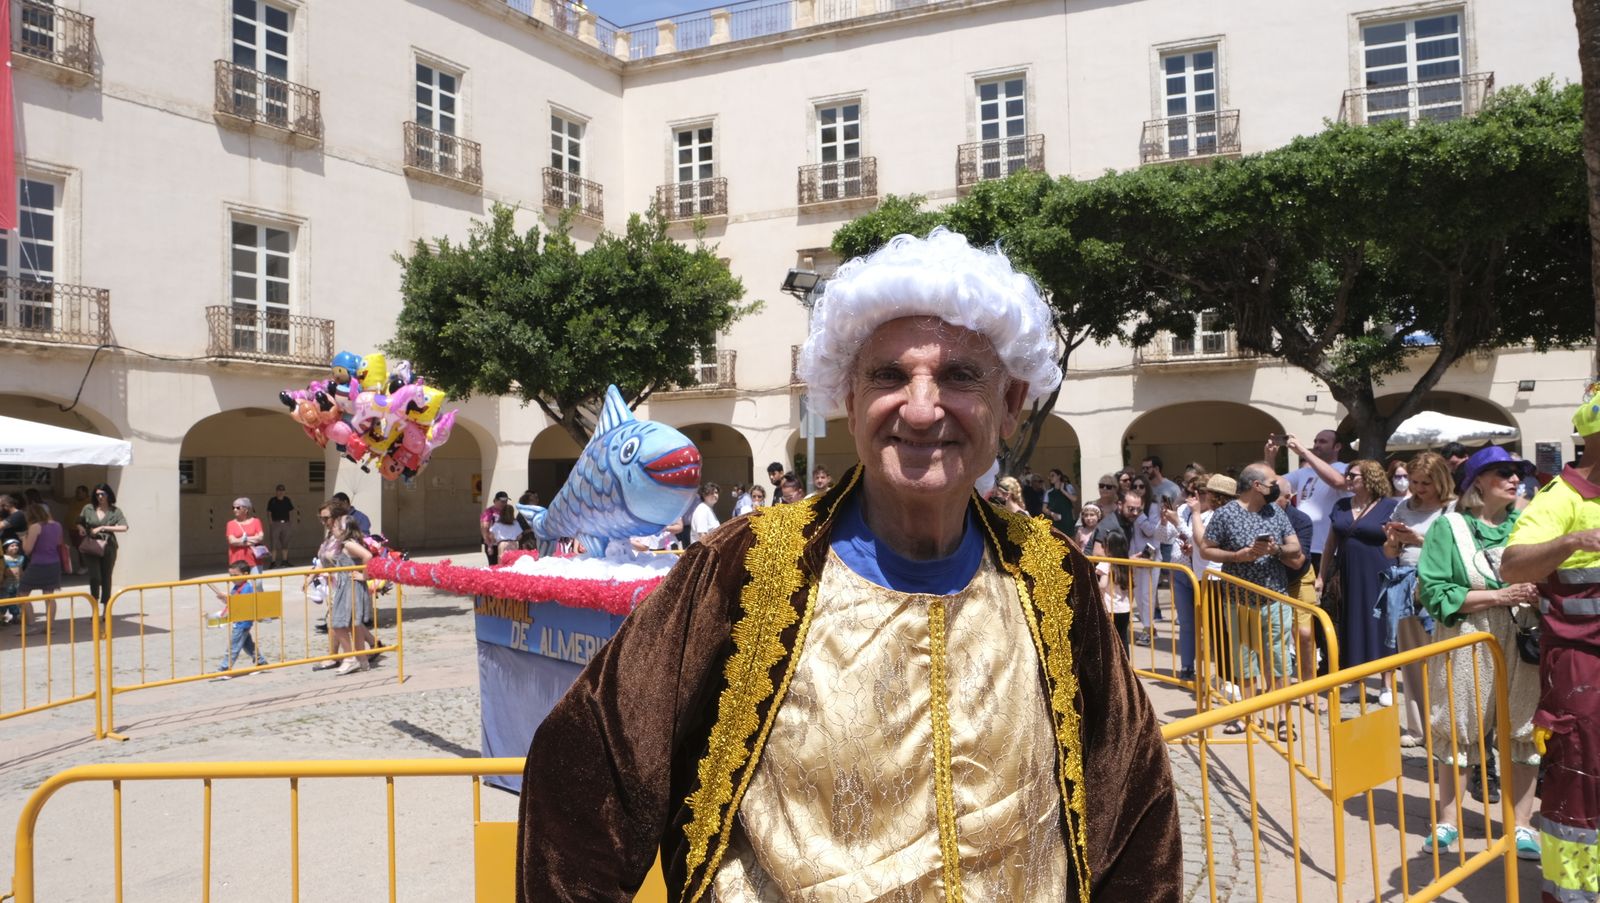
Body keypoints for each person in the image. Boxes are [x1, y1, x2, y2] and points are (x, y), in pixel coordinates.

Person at [517, 228, 1180, 901]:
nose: (922, 408)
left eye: (959, 375)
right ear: (852, 399)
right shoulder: (741, 568)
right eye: (890, 375)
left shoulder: (1053, 574)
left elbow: (1132, 804)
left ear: (1009, 404)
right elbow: (581, 774)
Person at [1417, 446, 1542, 861]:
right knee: (1459, 726)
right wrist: (1498, 595)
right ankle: (1449, 820)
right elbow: (1434, 591)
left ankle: (1521, 826)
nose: (1514, 479)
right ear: (1477, 484)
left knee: (1524, 729)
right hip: (1468, 636)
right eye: (1503, 472)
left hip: (1524, 637)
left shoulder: (1529, 524)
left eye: (1517, 473)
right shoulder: (1448, 527)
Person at [1500, 383, 1600, 896]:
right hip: (1582, 670)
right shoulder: (1562, 497)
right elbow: (1511, 564)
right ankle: (1575, 891)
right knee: (1582, 776)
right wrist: (1570, 541)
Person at [1198, 462, 1302, 736]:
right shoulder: (1225, 515)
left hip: (1275, 598)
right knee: (1244, 660)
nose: (1275, 487)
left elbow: (1295, 547)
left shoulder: (1276, 512)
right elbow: (1206, 549)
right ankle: (1246, 714)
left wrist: (1276, 549)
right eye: (1271, 483)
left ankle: (1283, 719)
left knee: (1280, 661)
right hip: (1238, 599)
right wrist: (1236, 556)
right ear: (1257, 486)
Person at [1379, 452, 1454, 746]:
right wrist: (1393, 540)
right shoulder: (1403, 506)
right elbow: (1389, 553)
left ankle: (1443, 725)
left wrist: (1418, 539)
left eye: (1426, 482)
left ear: (1441, 480)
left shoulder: (1453, 508)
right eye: (1415, 481)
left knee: (1442, 662)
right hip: (1406, 583)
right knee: (1410, 660)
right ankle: (1417, 728)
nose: (1419, 488)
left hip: (1440, 585)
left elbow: (1456, 547)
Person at [1324, 459, 1399, 702]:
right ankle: (1357, 681)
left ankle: (1387, 684)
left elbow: (1397, 542)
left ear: (1369, 478)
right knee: (1352, 623)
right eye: (1347, 474)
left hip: (1380, 570)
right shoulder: (1342, 505)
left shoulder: (1389, 505)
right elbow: (1330, 543)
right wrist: (1322, 575)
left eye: (1353, 475)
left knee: (1383, 624)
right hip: (1348, 572)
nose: (1347, 479)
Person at [313, 508, 375, 676]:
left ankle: (350, 658)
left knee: (338, 624)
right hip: (345, 584)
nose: (331, 527)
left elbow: (367, 556)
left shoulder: (348, 543)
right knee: (353, 624)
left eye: (336, 526)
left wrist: (364, 576)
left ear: (344, 529)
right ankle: (362, 660)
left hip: (350, 586)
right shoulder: (341, 543)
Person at [210, 559, 269, 679]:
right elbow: (233, 603)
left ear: (245, 574)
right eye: (230, 575)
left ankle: (225, 668)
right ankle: (261, 662)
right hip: (238, 620)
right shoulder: (236, 587)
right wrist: (224, 598)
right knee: (247, 645)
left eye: (235, 575)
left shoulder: (247, 588)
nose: (232, 578)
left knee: (234, 646)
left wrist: (227, 598)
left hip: (243, 622)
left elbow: (241, 603)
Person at [15, 503, 66, 634]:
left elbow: (27, 550)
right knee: (49, 596)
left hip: (38, 564)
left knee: (22, 594)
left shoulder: (35, 527)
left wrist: (23, 538)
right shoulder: (57, 525)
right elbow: (59, 543)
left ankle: (31, 625)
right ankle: (50, 627)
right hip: (54, 563)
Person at [77, 483, 128, 610]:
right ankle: (94, 607)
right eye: (97, 494)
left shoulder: (115, 511)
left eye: (103, 494)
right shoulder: (88, 508)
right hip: (91, 545)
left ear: (108, 494)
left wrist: (103, 527)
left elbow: (124, 527)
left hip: (108, 545)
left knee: (106, 576)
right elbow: (78, 522)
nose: (100, 497)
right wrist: (81, 528)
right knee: (95, 576)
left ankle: (106, 608)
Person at [1098, 531, 1133, 651]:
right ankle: (1125, 666)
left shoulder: (1106, 563)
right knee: (1123, 638)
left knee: (1109, 639)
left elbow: (1102, 585)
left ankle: (1113, 667)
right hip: (1124, 608)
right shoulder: (1126, 563)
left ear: (1108, 547)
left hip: (1110, 608)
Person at [225, 497, 266, 574]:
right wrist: (251, 541)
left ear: (246, 509)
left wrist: (242, 540)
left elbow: (260, 537)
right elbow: (232, 541)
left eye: (238, 507)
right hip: (237, 561)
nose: (234, 510)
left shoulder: (256, 521)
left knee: (257, 584)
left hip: (254, 560)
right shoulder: (230, 524)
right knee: (241, 585)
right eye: (233, 508)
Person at [265, 485, 296, 568]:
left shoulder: (287, 500)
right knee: (274, 543)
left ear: (284, 491)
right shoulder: (272, 501)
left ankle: (284, 561)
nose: (281, 492)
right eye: (279, 490)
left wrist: (290, 522)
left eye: (282, 490)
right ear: (276, 491)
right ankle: (273, 562)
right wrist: (271, 523)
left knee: (285, 543)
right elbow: (269, 512)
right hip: (275, 523)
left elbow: (291, 511)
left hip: (286, 523)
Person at [481, 491, 510, 565]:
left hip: (505, 543)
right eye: (502, 501)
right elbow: (484, 527)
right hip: (493, 544)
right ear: (495, 500)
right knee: (494, 565)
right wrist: (489, 545)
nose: (504, 503)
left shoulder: (506, 512)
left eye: (506, 501)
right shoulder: (489, 512)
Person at [0, 538, 22, 627]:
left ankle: (15, 617)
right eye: (12, 546)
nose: (15, 547)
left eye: (16, 545)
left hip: (17, 583)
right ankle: (2, 618)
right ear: (5, 548)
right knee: (4, 601)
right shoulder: (3, 558)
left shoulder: (20, 558)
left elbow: (21, 570)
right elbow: (2, 571)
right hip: (6, 584)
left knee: (15, 601)